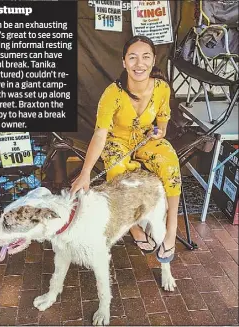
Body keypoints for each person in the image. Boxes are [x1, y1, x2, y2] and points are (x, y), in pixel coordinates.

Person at [70, 35, 181, 263]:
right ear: (124, 62)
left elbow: (163, 121)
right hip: (116, 141)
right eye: (133, 57)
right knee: (118, 170)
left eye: (145, 57)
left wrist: (159, 131)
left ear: (153, 60)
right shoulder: (112, 94)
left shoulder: (162, 88)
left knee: (170, 162)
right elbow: (100, 134)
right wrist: (85, 172)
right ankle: (134, 229)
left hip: (145, 138)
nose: (139, 64)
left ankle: (171, 228)